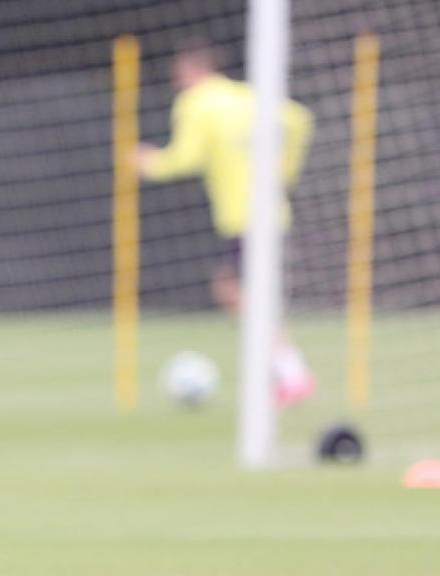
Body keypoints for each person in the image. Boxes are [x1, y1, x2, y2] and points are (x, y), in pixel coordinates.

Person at [137, 39, 315, 405]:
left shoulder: (197, 102)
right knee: (243, 292)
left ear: (190, 71)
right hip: (272, 214)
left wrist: (148, 163)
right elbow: (300, 119)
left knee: (236, 292)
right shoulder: (247, 96)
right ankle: (284, 371)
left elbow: (186, 158)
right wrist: (286, 171)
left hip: (243, 218)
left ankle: (290, 372)